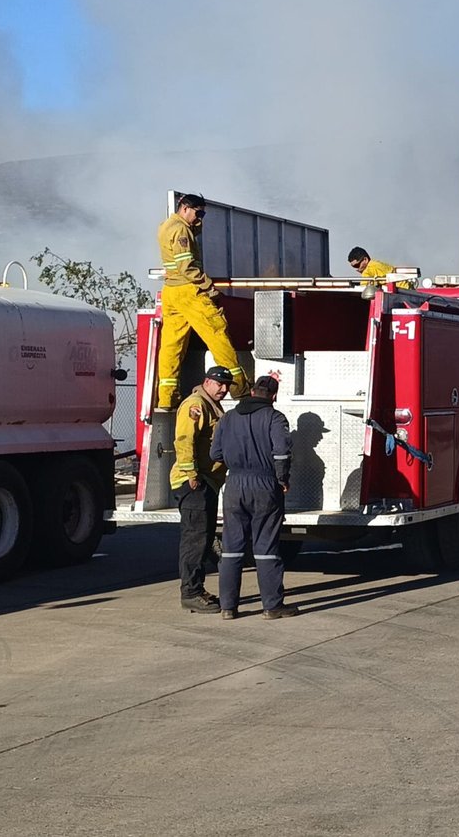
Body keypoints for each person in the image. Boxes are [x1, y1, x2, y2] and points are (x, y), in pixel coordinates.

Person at [211, 375, 299, 620]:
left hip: (234, 485)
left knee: (230, 549)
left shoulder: (228, 418)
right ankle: (272, 606)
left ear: (251, 392)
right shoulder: (275, 418)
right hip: (264, 484)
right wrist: (282, 479)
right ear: (273, 396)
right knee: (266, 547)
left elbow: (215, 452)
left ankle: (228, 607)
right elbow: (281, 453)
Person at [155, 194, 247, 409]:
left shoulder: (166, 226)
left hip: (171, 291)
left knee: (171, 346)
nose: (200, 218)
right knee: (217, 334)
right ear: (185, 208)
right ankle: (239, 388)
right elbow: (187, 266)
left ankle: (167, 398)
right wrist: (208, 287)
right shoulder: (180, 230)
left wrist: (197, 225)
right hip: (189, 291)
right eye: (199, 213)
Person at [173, 366, 232, 613]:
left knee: (204, 538)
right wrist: (192, 475)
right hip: (195, 482)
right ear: (207, 381)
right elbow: (185, 441)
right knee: (195, 540)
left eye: (227, 385)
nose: (224, 389)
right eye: (219, 384)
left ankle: (197, 589)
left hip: (207, 481)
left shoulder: (211, 406)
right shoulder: (195, 405)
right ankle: (191, 593)